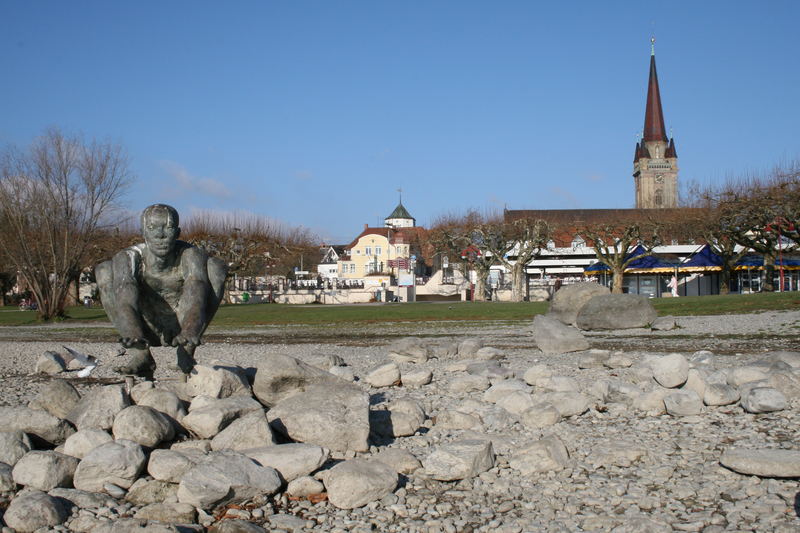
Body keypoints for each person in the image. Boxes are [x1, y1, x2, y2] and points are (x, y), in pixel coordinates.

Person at [95, 204, 227, 378]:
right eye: (152, 228)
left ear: (178, 232)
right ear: (143, 232)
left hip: (184, 323)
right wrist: (132, 333)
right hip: (144, 324)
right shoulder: (128, 258)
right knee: (104, 270)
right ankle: (141, 355)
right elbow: (125, 300)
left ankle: (185, 352)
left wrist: (190, 330)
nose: (160, 235)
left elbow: (196, 297)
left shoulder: (191, 255)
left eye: (168, 227)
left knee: (216, 267)